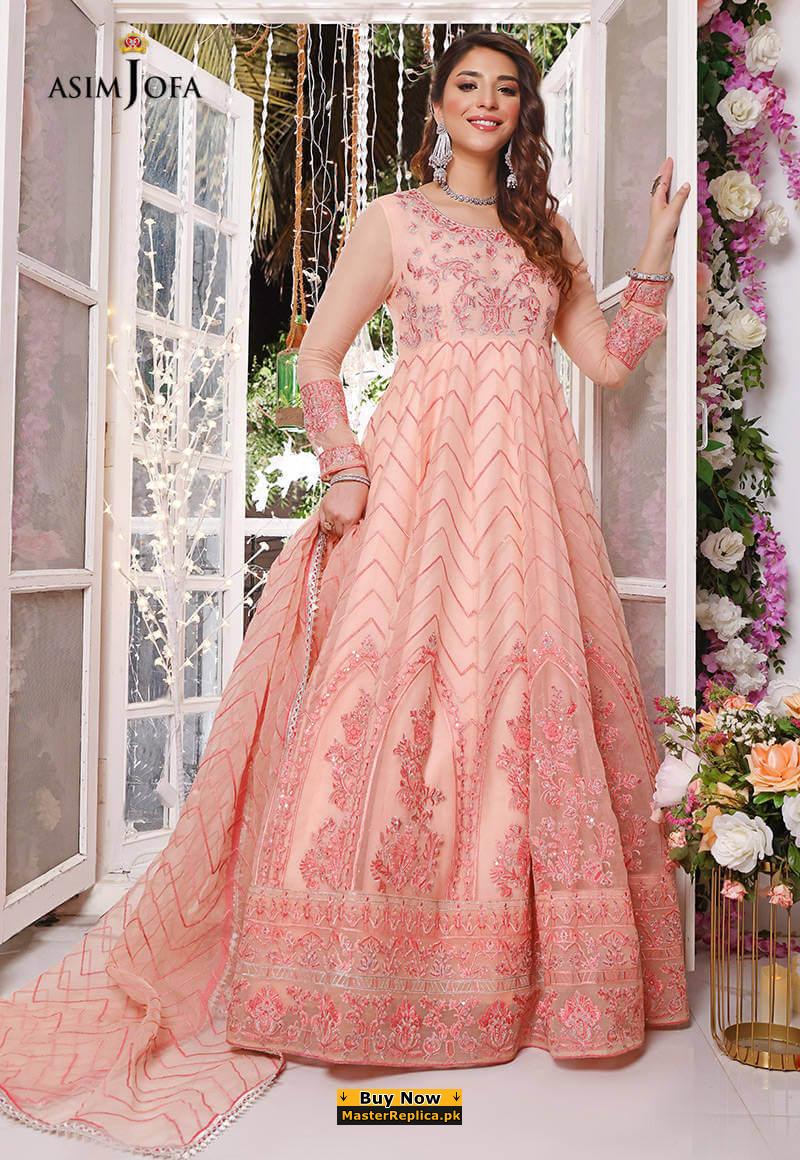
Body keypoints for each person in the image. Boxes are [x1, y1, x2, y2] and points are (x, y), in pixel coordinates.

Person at [0, 28, 692, 1159]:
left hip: (528, 505)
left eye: (505, 89)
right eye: (467, 84)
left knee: (522, 707)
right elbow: (317, 358)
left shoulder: (543, 230)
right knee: (391, 708)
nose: (486, 101)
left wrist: (656, 249)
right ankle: (367, 969)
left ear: (522, 113)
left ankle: (519, 973)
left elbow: (608, 361)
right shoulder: (393, 220)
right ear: (439, 102)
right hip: (418, 494)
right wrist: (343, 469)